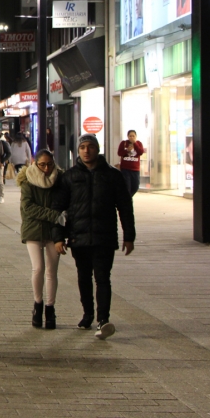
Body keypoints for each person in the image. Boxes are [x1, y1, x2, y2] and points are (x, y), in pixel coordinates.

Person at [52, 134, 135, 340]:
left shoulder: (112, 175)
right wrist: (58, 237)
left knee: (102, 278)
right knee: (83, 277)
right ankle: (88, 313)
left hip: (104, 236)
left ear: (97, 149)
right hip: (78, 236)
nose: (86, 151)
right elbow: (58, 209)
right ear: (78, 151)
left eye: (90, 147)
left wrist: (129, 236)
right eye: (82, 147)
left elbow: (125, 207)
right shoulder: (69, 177)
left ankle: (103, 319)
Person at [17, 149, 66, 330]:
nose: (46, 168)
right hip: (33, 229)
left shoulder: (60, 179)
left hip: (54, 231)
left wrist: (59, 220)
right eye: (42, 164)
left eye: (49, 164)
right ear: (35, 164)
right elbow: (28, 207)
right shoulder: (28, 180)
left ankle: (50, 308)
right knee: (38, 268)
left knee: (52, 271)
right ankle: (38, 305)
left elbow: (64, 203)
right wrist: (54, 215)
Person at [117, 130, 144, 197]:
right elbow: (119, 153)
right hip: (125, 169)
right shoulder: (123, 143)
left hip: (135, 170)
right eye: (130, 136)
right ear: (128, 136)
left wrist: (135, 143)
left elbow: (140, 152)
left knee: (135, 187)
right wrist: (127, 150)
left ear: (135, 136)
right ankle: (127, 200)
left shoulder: (138, 143)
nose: (131, 137)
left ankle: (127, 199)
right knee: (127, 187)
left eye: (133, 136)